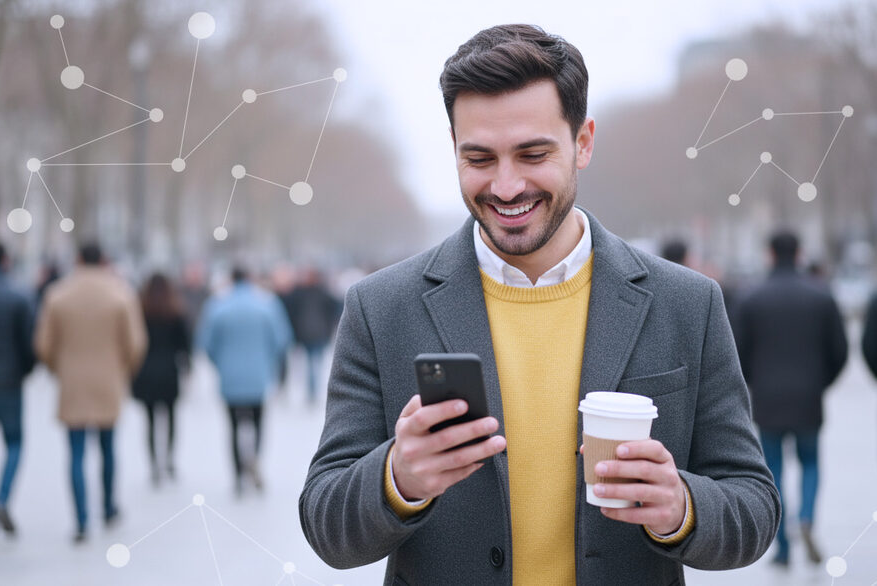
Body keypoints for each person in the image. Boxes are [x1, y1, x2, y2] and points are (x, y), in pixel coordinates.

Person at [300, 24, 779, 585]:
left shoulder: (686, 304)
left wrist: (681, 506)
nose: (505, 186)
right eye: (479, 158)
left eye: (532, 154)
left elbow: (755, 507)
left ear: (583, 142)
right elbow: (326, 526)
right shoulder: (379, 308)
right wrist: (395, 479)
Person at [734, 230, 847, 567]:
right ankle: (808, 518)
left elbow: (737, 354)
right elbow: (839, 351)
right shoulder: (822, 297)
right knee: (810, 463)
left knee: (772, 470)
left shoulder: (751, 298)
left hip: (767, 400)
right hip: (808, 398)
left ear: (770, 254)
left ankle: (782, 545)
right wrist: (820, 382)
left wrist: (756, 385)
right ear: (799, 254)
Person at [34, 242, 147, 542]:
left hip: (72, 383)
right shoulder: (121, 294)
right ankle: (108, 507)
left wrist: (59, 368)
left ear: (78, 259)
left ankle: (81, 519)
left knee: (75, 453)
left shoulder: (57, 295)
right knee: (109, 449)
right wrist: (122, 369)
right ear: (105, 260)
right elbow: (136, 343)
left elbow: (43, 345)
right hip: (108, 380)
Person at [197, 265, 291, 495]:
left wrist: (219, 363)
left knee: (232, 426)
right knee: (258, 422)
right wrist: (268, 362)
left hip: (230, 377)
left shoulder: (217, 306)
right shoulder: (267, 304)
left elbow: (205, 342)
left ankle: (238, 474)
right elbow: (281, 339)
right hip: (258, 375)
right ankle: (255, 458)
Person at [132, 273, 190, 486]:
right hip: (168, 371)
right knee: (171, 418)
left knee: (149, 421)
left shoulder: (140, 311)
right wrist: (187, 367)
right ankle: (169, 459)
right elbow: (184, 345)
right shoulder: (174, 311)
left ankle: (154, 463)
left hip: (145, 372)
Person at [0, 242, 35, 536]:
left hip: (11, 378)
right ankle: (3, 496)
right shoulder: (18, 297)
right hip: (9, 382)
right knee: (14, 443)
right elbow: (29, 345)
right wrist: (25, 371)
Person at [282, 267, 341, 404]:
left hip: (314, 333)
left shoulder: (312, 292)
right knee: (313, 363)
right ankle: (312, 391)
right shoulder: (309, 292)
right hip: (312, 333)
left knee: (313, 363)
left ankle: (312, 391)